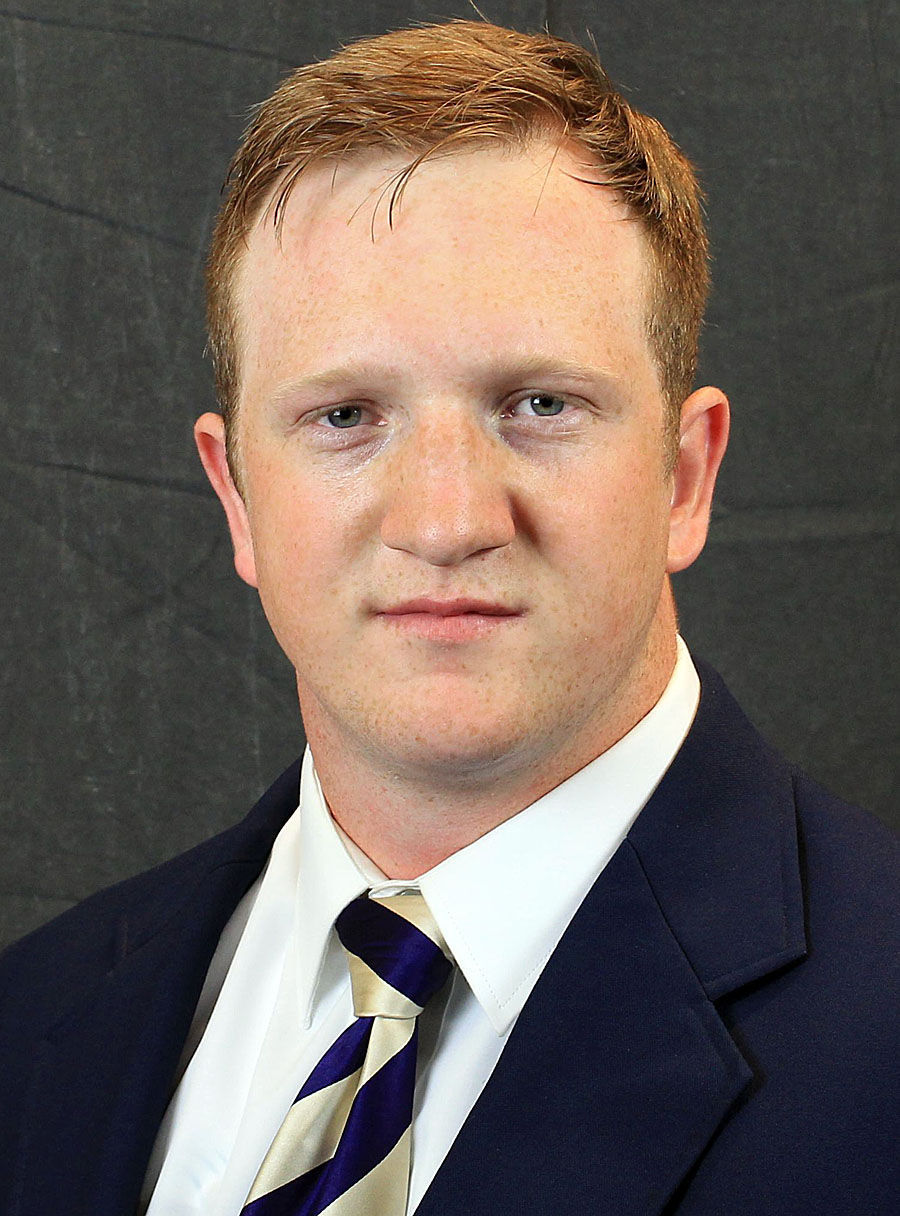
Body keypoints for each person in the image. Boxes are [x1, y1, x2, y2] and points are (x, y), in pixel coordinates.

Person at [0, 19, 895, 1216]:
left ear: (685, 477)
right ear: (238, 499)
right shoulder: (35, 1017)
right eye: (345, 416)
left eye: (537, 403)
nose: (446, 517)